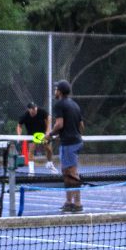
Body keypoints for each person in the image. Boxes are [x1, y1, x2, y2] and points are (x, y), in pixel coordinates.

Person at [45, 80, 84, 212]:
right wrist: (61, 135)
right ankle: (69, 202)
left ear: (60, 92)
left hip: (69, 144)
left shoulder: (59, 104)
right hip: (75, 142)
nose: (55, 91)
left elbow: (59, 124)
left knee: (72, 173)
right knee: (66, 172)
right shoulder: (75, 105)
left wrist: (49, 135)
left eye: (56, 89)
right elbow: (81, 126)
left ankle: (77, 203)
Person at [16, 101, 57, 174]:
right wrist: (19, 135)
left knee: (48, 149)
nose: (34, 110)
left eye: (35, 108)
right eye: (32, 108)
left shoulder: (41, 111)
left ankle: (50, 164)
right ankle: (31, 171)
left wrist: (48, 130)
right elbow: (19, 125)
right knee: (31, 150)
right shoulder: (25, 116)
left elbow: (49, 117)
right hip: (32, 135)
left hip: (42, 134)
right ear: (29, 109)